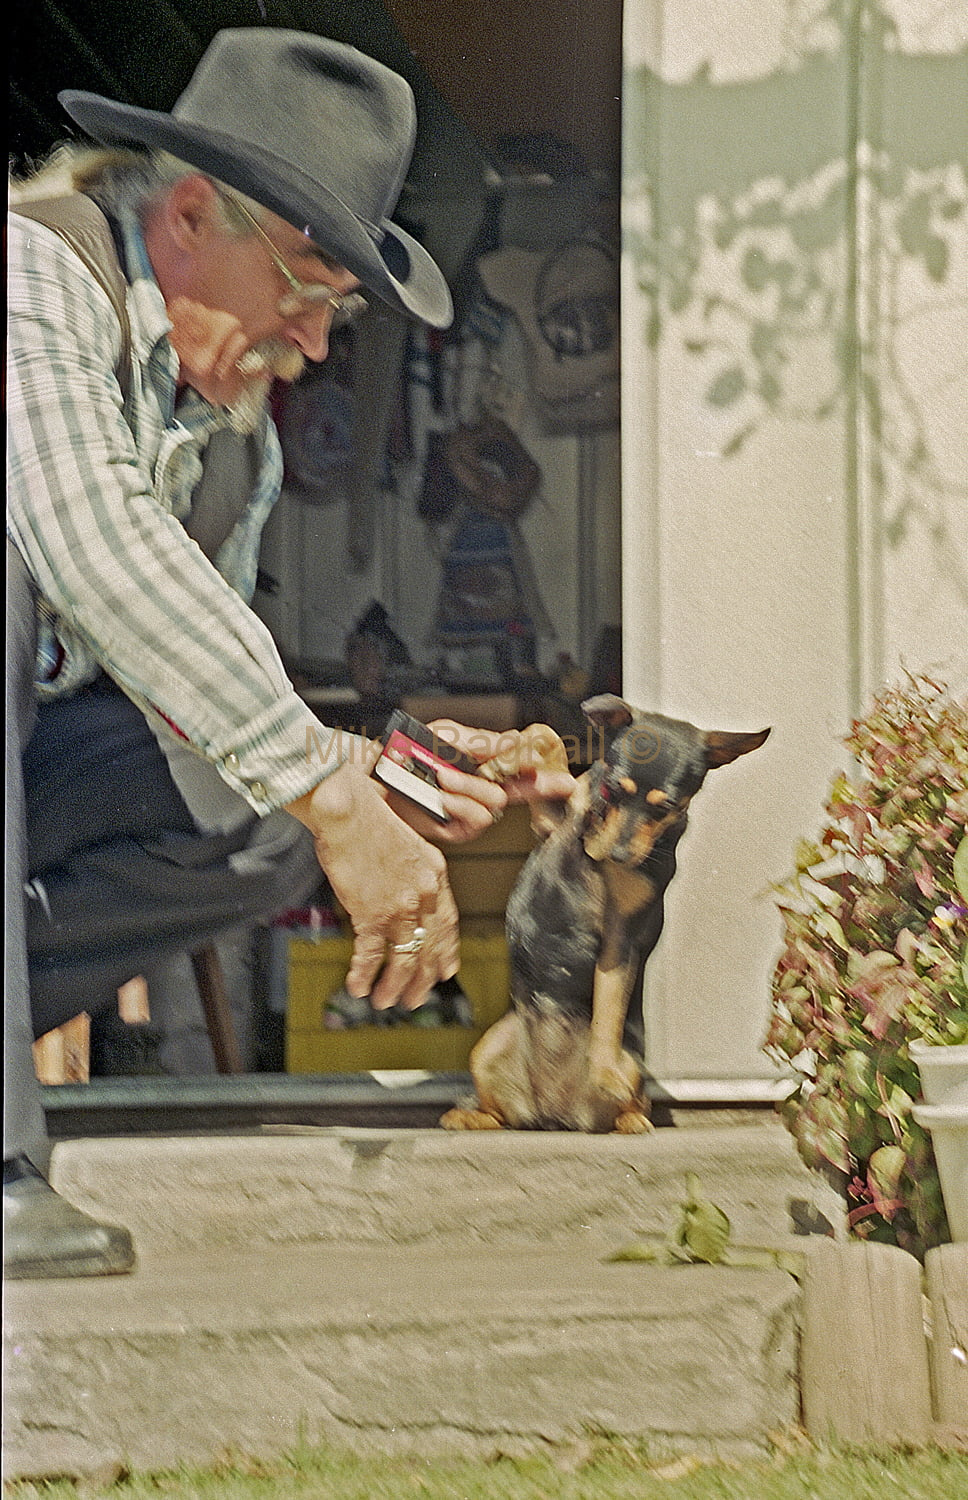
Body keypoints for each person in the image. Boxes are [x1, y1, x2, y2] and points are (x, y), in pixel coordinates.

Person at [5, 29, 574, 1281]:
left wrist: (387, 778)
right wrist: (328, 790)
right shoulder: (29, 277)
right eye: (307, 289)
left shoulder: (232, 438)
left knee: (261, 817)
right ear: (194, 212)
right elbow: (91, 542)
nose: (314, 344)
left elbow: (191, 697)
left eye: (336, 312)